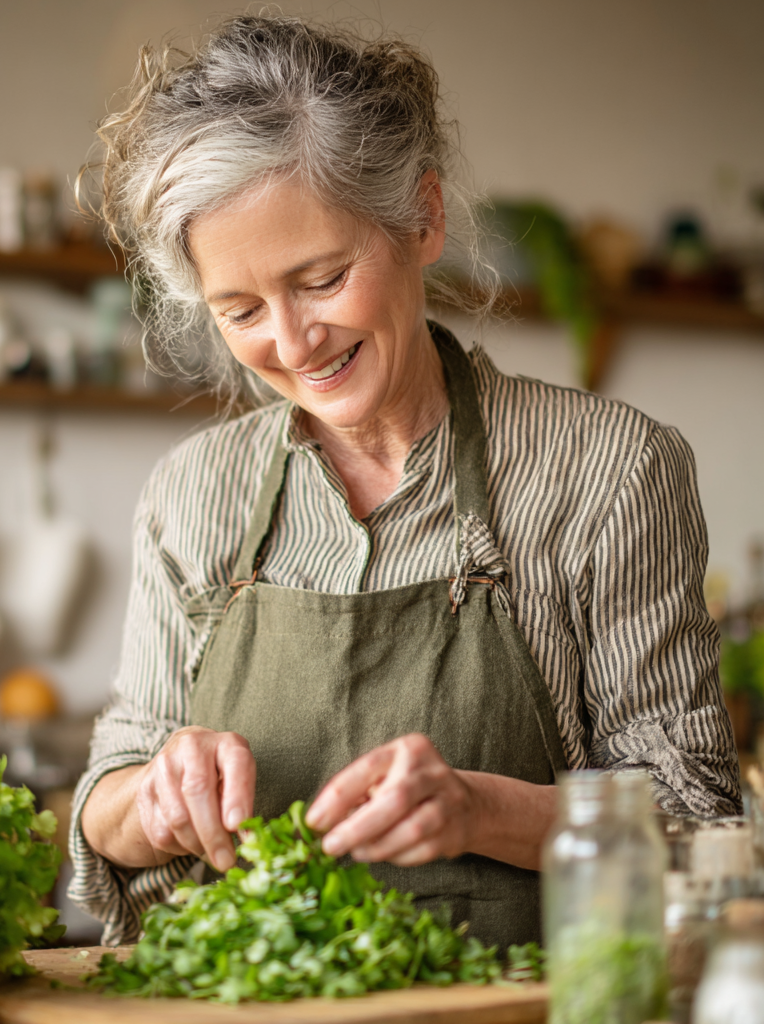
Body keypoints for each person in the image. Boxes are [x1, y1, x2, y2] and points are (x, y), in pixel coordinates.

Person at [69, 15, 739, 949]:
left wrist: (478, 810)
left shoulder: (610, 471)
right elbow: (109, 796)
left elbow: (698, 819)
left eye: (323, 277)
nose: (293, 343)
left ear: (422, 217)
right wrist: (153, 798)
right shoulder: (192, 493)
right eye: (241, 309)